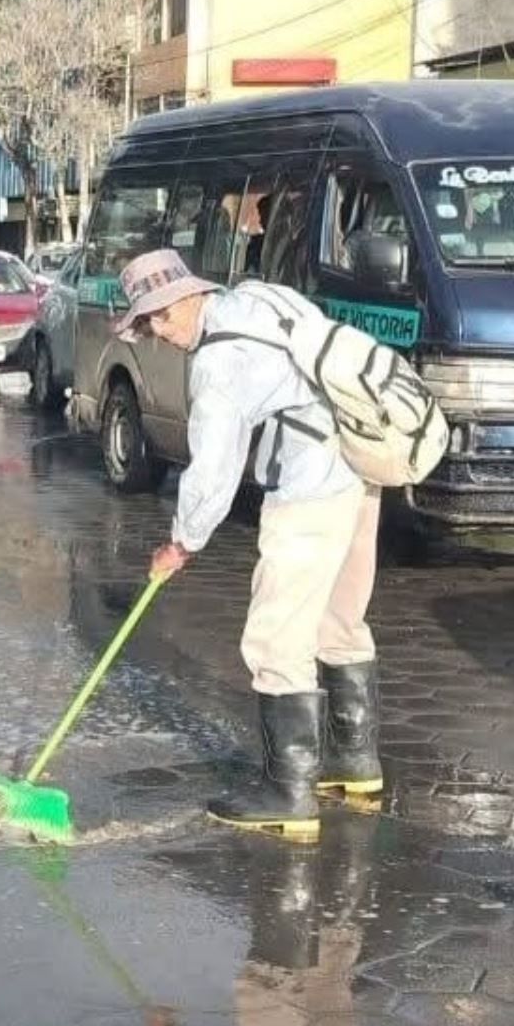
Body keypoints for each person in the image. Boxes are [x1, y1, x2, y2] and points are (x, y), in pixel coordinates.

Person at [119, 249, 382, 841]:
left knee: (276, 633)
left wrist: (181, 543)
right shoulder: (262, 297)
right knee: (340, 617)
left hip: (312, 483)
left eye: (159, 317)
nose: (159, 333)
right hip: (362, 464)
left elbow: (213, 470)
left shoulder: (218, 363)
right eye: (147, 324)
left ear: (188, 296)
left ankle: (288, 792)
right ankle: (355, 763)